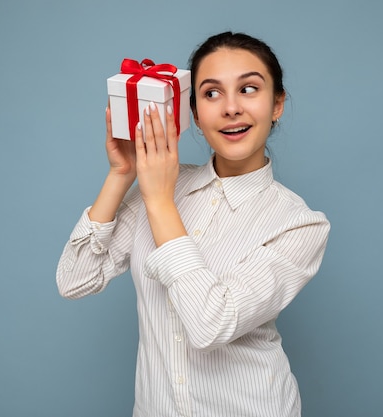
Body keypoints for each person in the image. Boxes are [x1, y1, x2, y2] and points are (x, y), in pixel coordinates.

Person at [56, 31, 330, 417]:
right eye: (212, 93)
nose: (231, 108)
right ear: (195, 114)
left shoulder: (299, 225)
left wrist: (158, 200)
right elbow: (75, 279)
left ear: (277, 104)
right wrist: (122, 173)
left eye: (249, 89)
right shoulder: (163, 182)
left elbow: (211, 325)